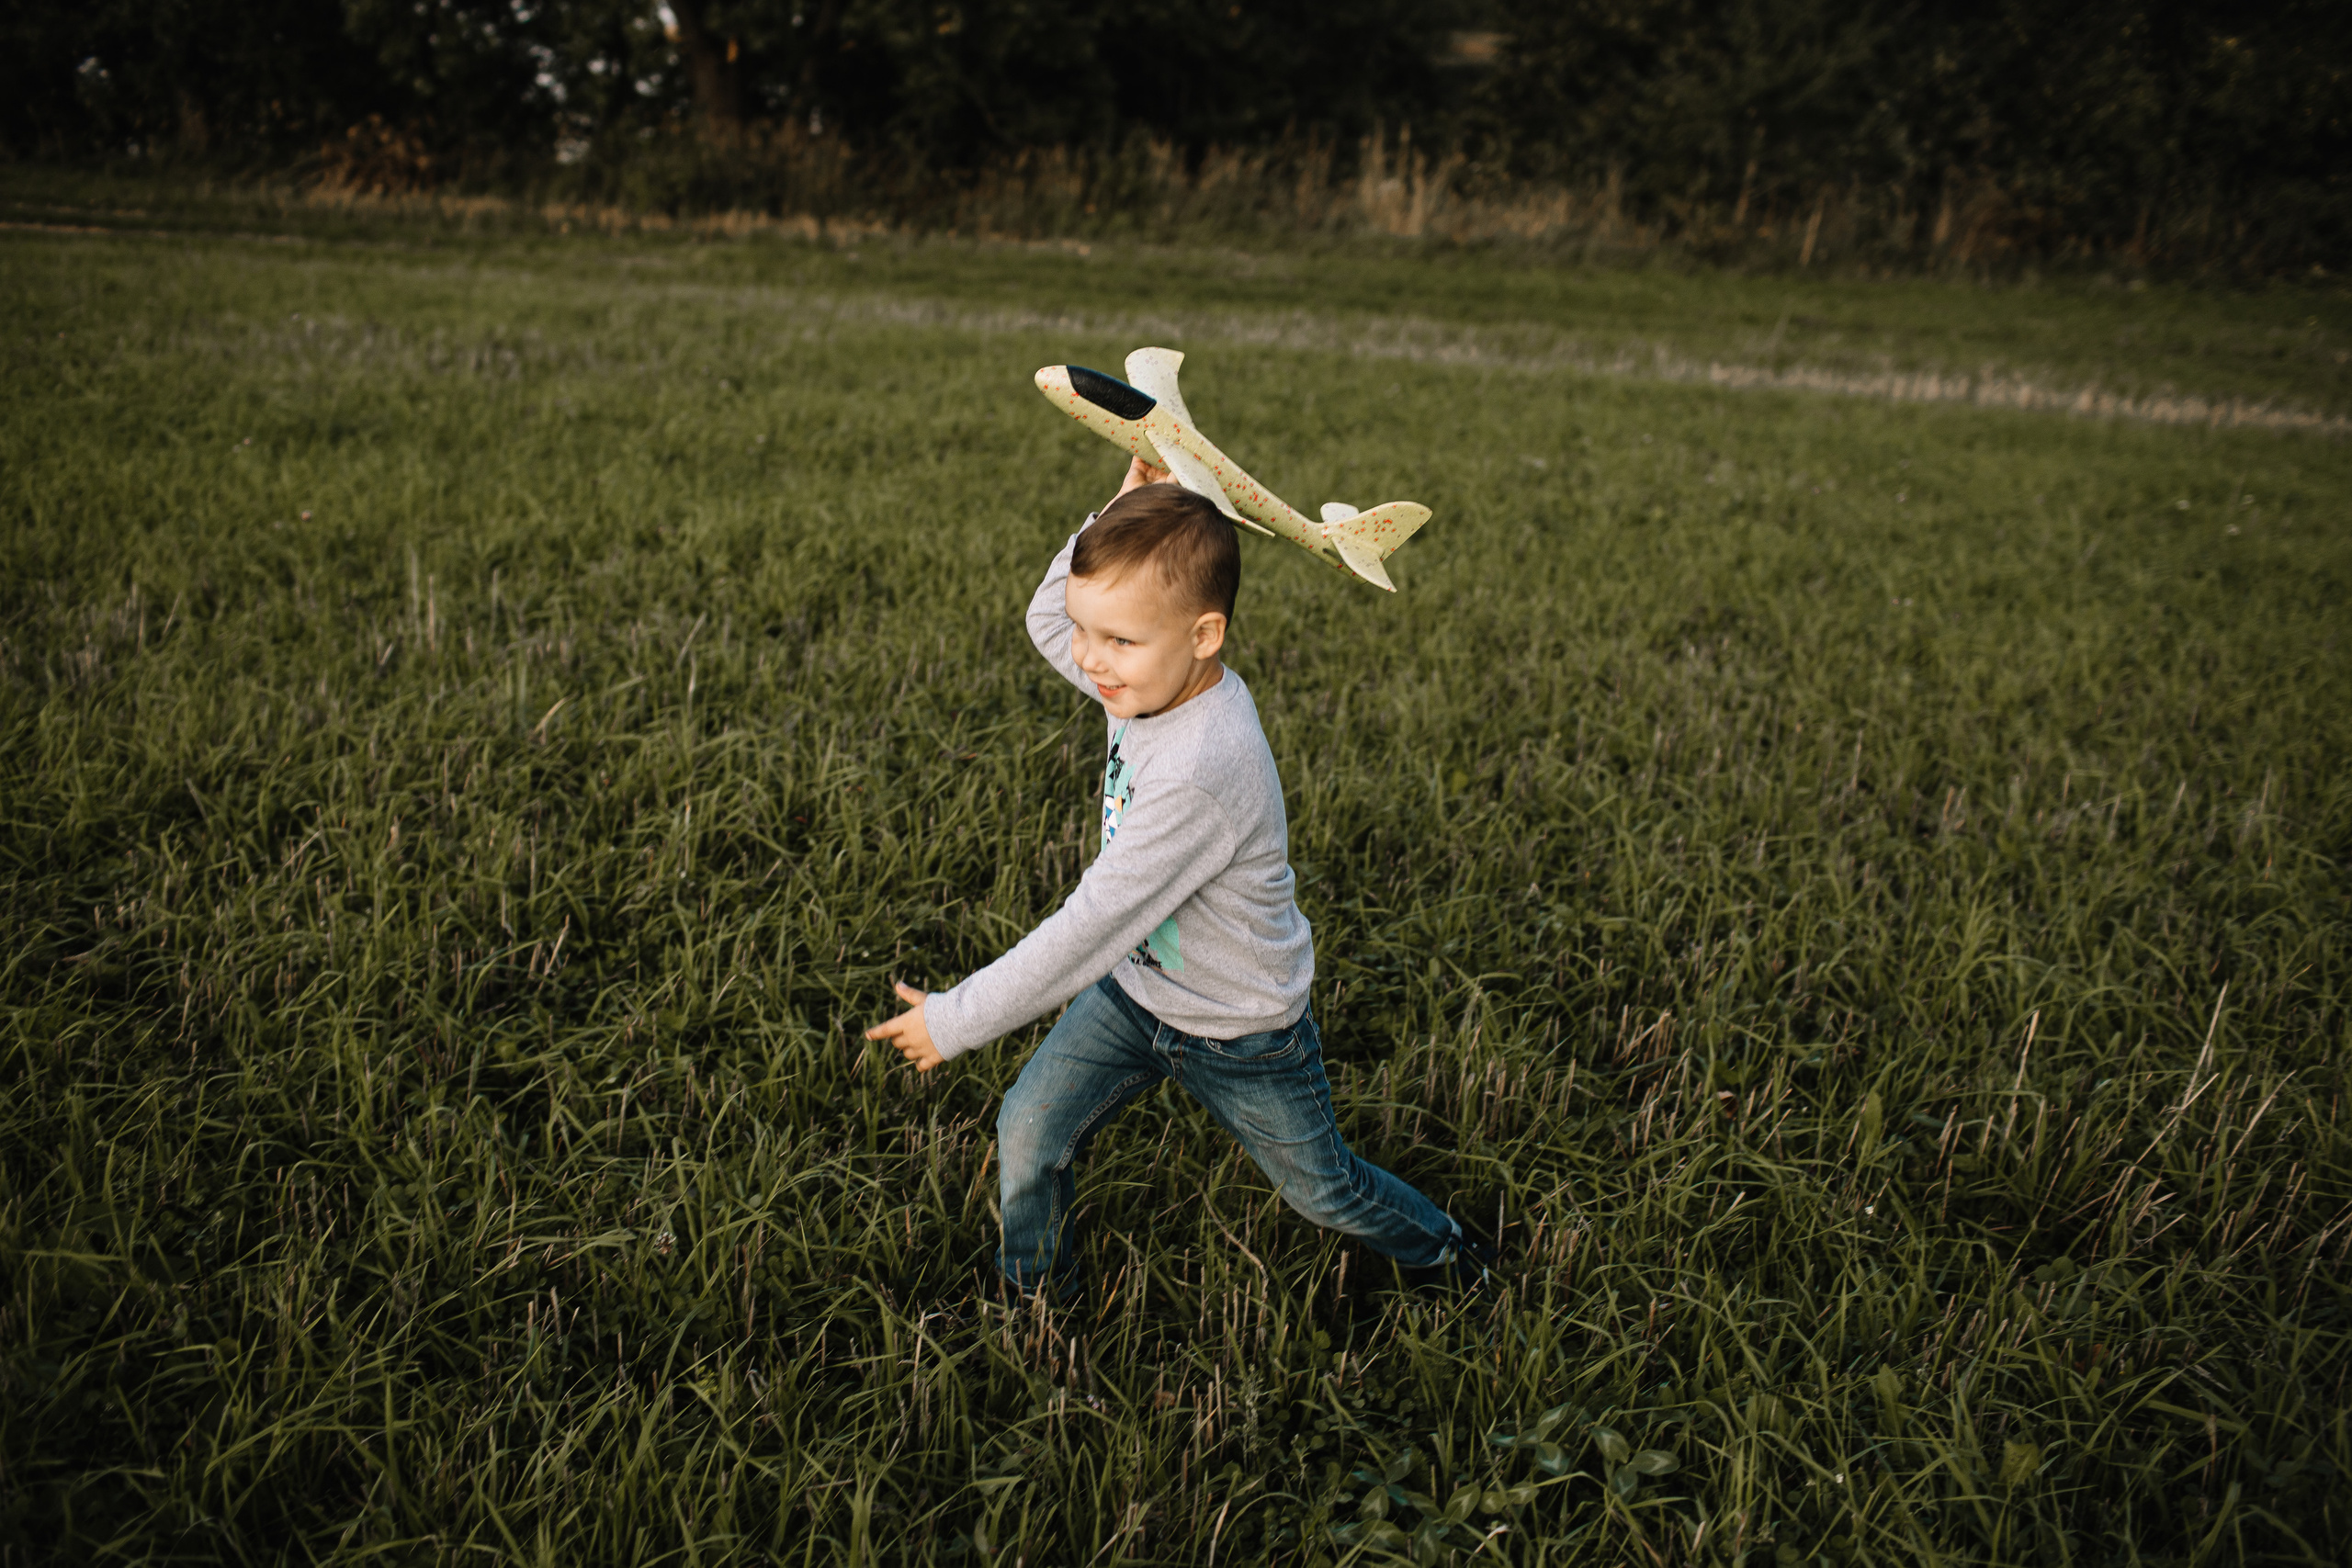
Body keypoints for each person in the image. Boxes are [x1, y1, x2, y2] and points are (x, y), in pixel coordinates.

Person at [865, 455, 1489, 1303]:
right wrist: (1115, 512)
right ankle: (1035, 1298)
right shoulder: (1145, 683)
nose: (1090, 659)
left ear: (1205, 635)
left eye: (1119, 640)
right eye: (1089, 630)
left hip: (1241, 1031)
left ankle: (1452, 1254)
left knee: (1324, 1191)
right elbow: (1049, 618)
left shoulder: (1202, 765)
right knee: (1030, 1127)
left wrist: (956, 1018)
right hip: (1138, 994)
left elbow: (1089, 928)